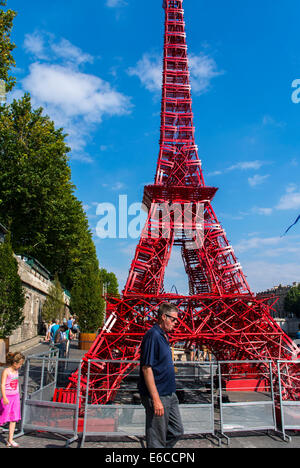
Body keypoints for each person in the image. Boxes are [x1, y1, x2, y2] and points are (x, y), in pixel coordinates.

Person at [139, 303, 184, 448]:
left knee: (177, 431)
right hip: (159, 395)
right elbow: (147, 368)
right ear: (163, 317)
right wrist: (156, 399)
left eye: (177, 320)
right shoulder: (153, 335)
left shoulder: (163, 335)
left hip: (170, 394)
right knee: (156, 438)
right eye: (173, 319)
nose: (176, 323)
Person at [0, 352, 25, 448]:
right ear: (15, 363)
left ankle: (10, 439)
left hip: (15, 397)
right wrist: (4, 397)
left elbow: (16, 383)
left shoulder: (16, 371)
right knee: (3, 417)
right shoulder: (6, 371)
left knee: (13, 419)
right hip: (7, 397)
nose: (20, 366)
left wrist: (17, 395)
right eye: (20, 364)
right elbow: (2, 385)